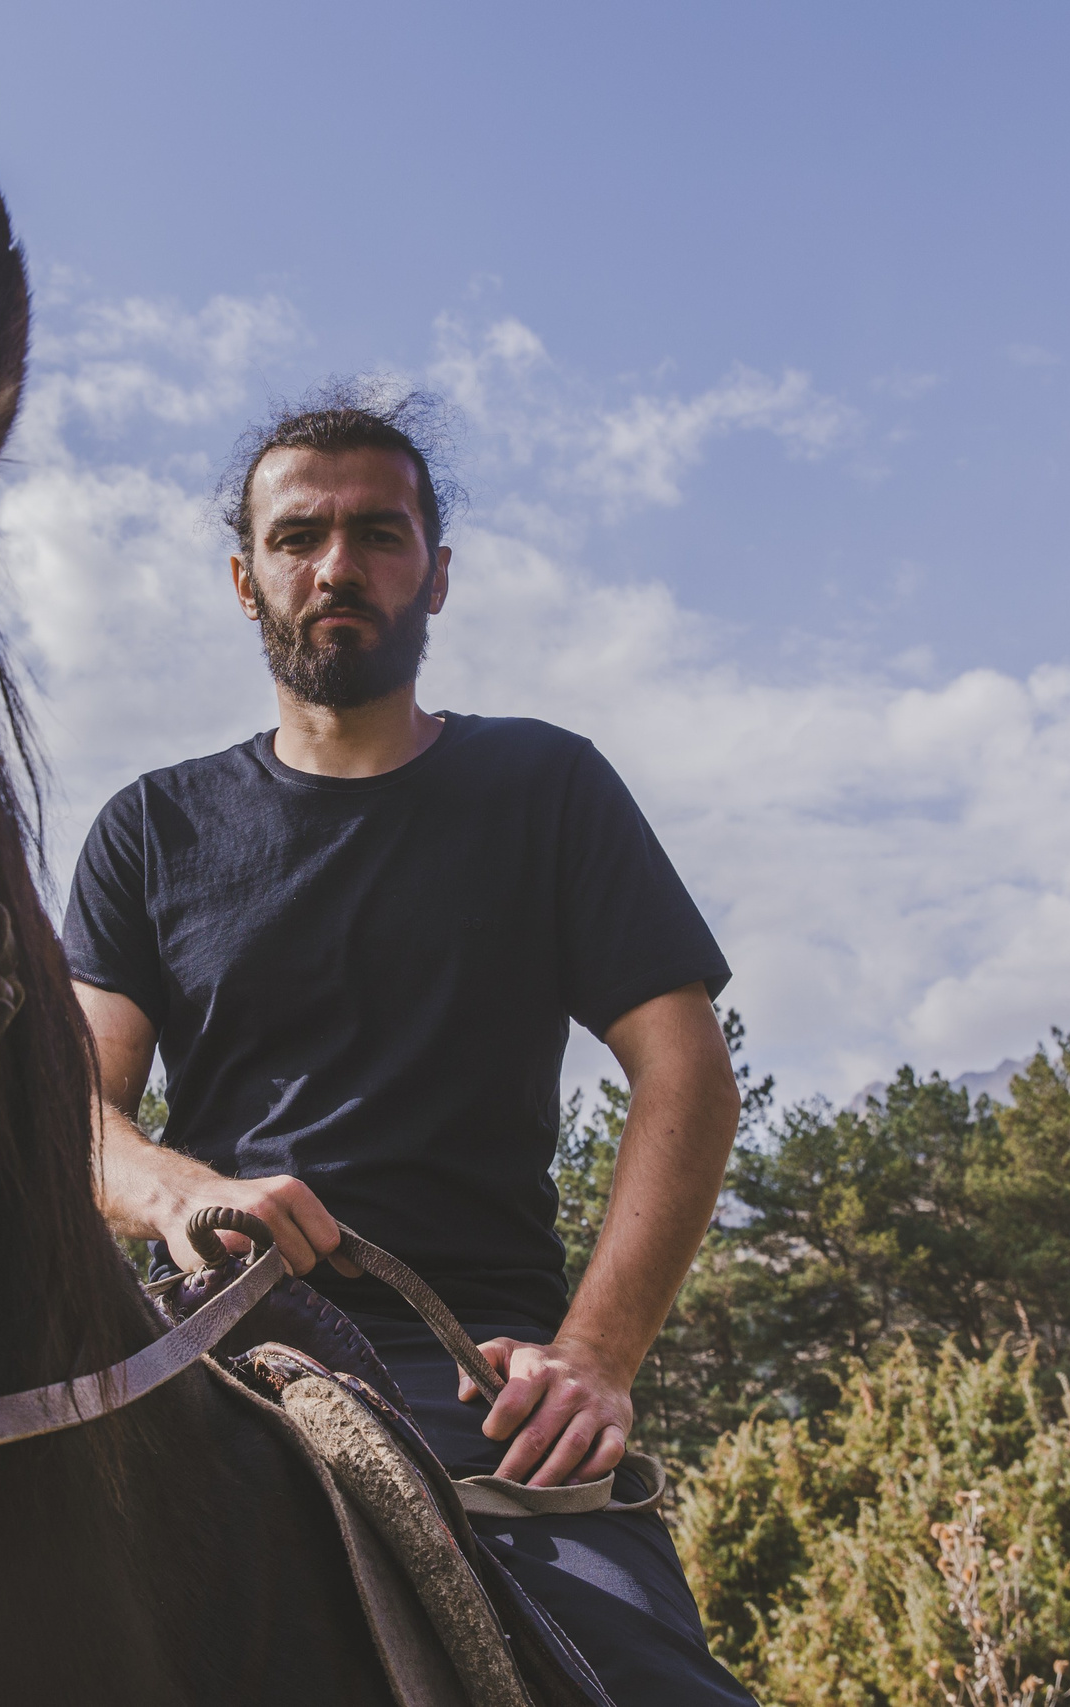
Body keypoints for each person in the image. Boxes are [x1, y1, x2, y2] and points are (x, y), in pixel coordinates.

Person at [65, 386, 754, 1706]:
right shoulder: (151, 829)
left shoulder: (547, 789)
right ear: (244, 579)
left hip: (481, 1373)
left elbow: (687, 1076)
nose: (339, 565)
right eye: (299, 536)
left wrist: (596, 1359)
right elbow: (69, 1110)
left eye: (381, 535)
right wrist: (184, 1194)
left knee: (648, 1681)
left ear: (437, 577)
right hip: (214, 1352)